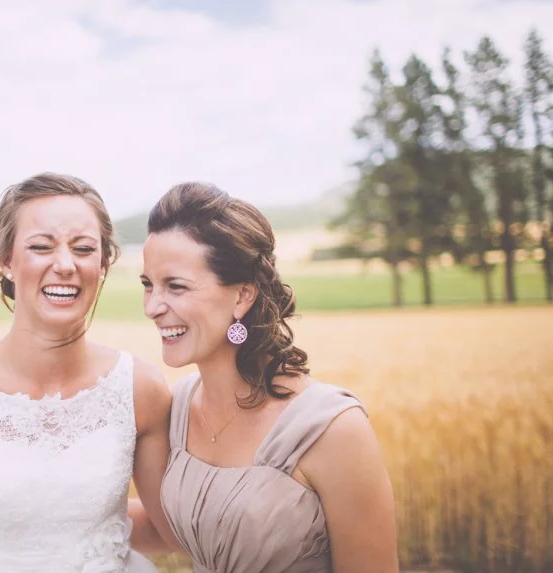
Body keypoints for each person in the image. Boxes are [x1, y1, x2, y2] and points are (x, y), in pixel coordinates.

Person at [0, 173, 175, 572]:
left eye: (83, 249)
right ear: (7, 261)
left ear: (103, 264)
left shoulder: (140, 388)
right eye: (42, 247)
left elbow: (176, 529)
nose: (65, 265)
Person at [138, 182, 399, 573]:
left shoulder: (333, 429)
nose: (152, 307)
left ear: (242, 296)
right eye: (148, 285)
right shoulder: (176, 410)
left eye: (175, 286)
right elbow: (175, 531)